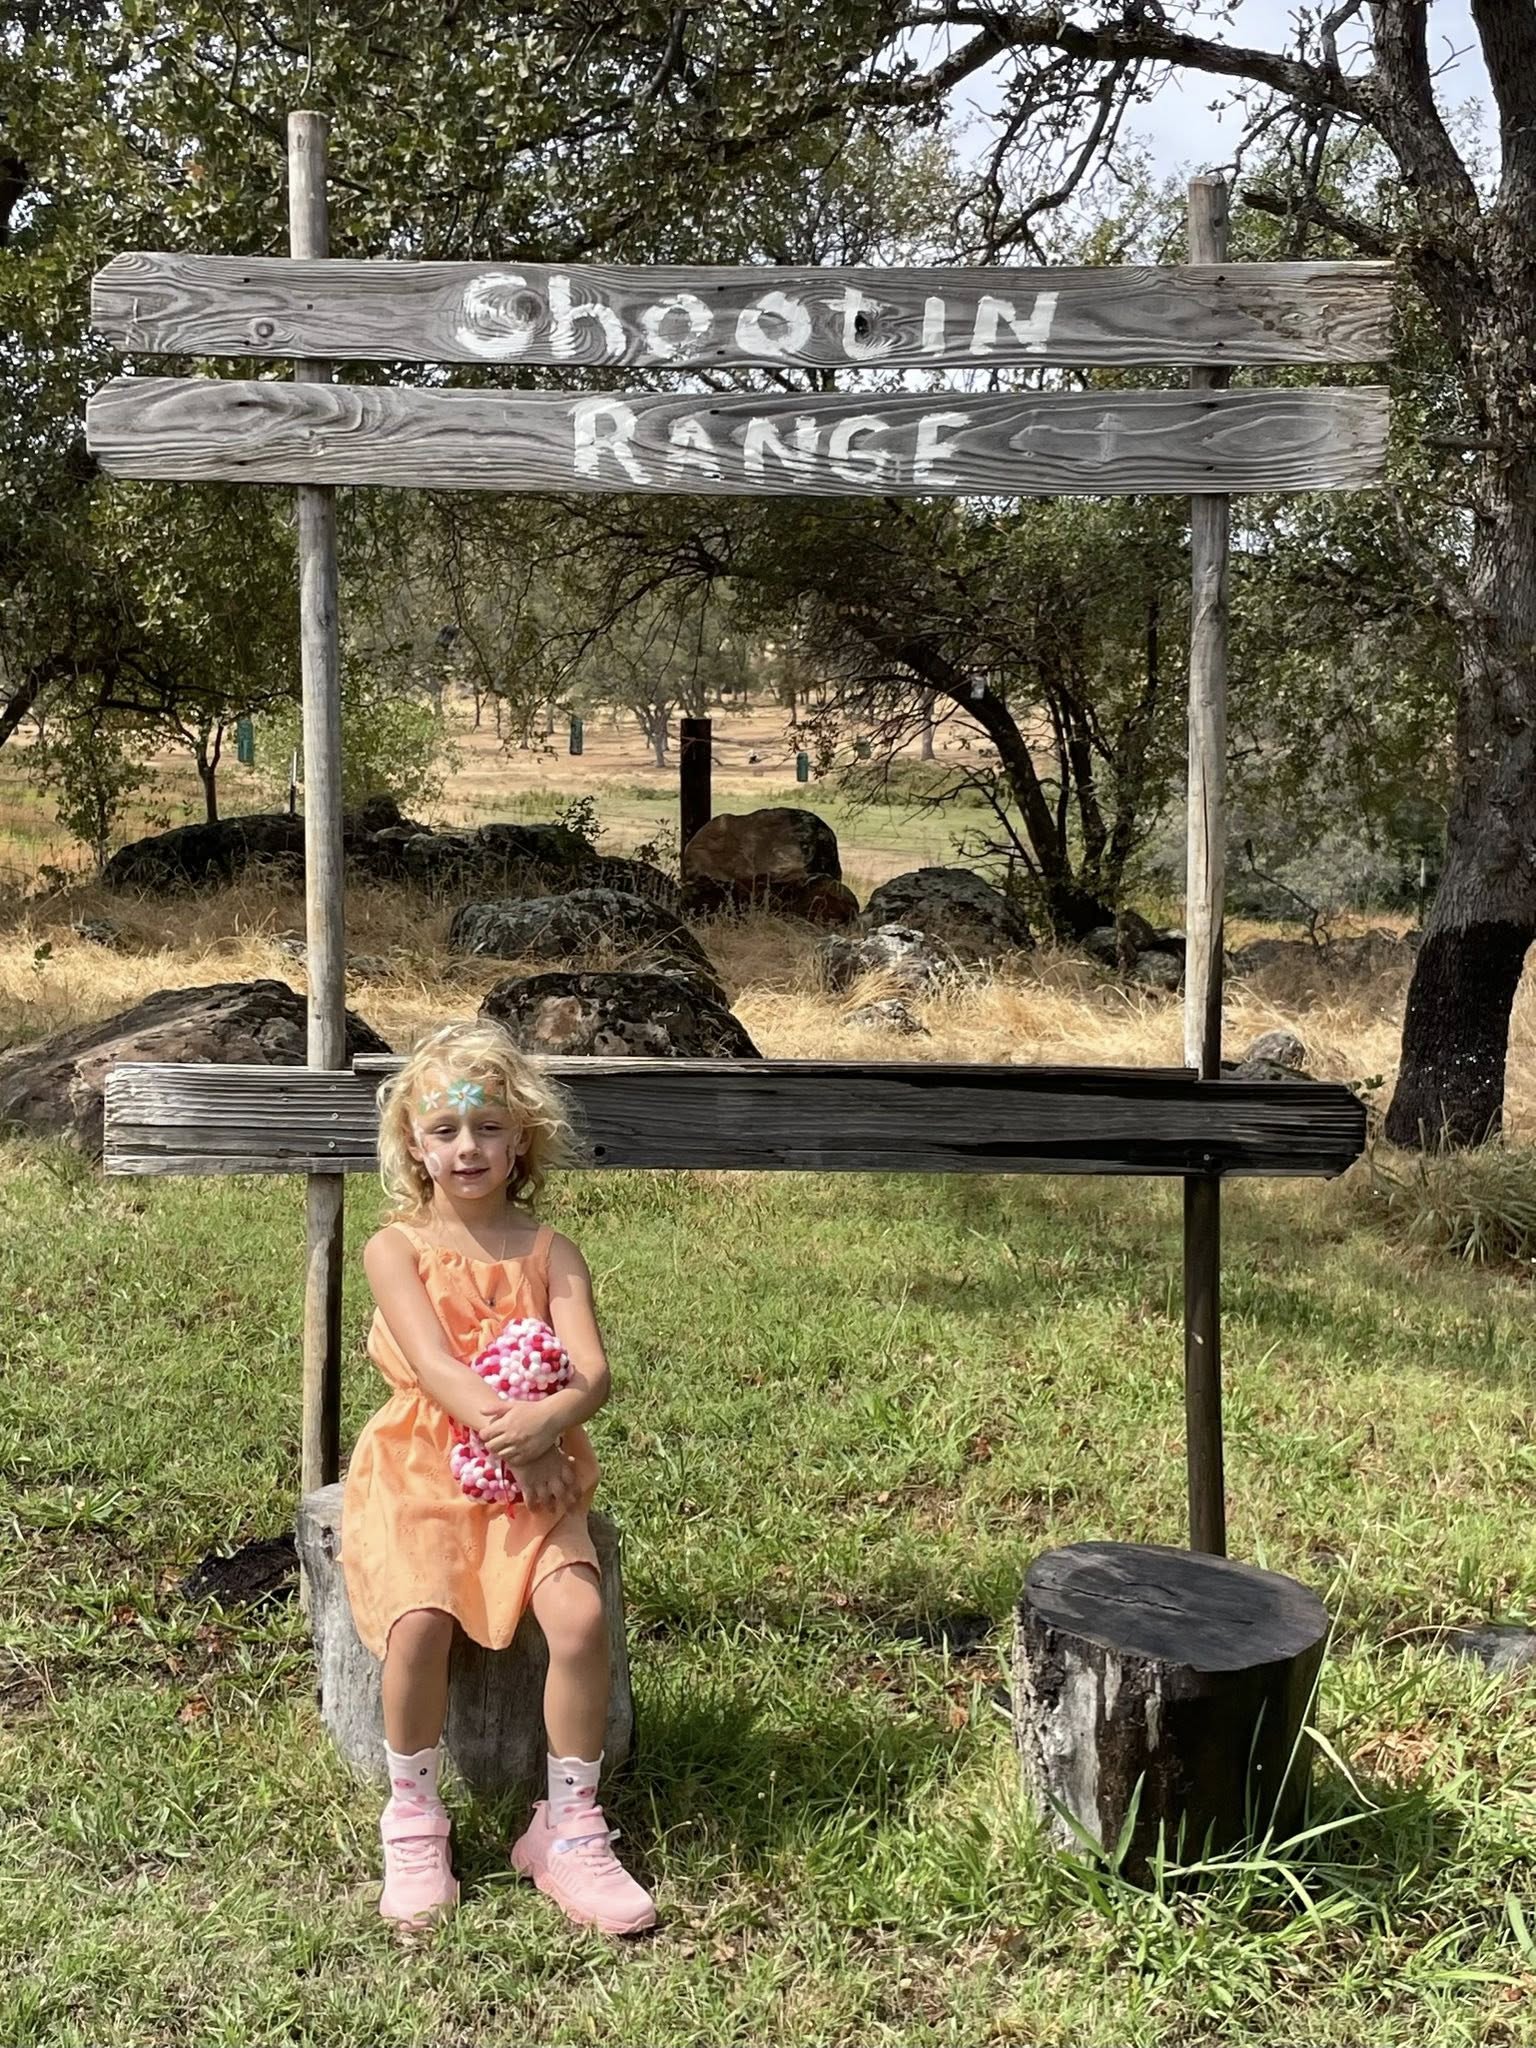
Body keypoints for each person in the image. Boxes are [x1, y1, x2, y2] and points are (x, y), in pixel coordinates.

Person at [342, 1018, 655, 1935]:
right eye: (444, 1131)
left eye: (486, 1129)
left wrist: (551, 1427)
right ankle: (412, 1814)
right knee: (420, 1623)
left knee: (580, 1614)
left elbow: (592, 1371)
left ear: (521, 1137)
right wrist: (524, 1439)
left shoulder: (552, 1252)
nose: (466, 1148)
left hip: (536, 1465)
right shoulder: (394, 1249)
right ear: (413, 1144)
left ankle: (567, 1824)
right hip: (423, 1463)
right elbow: (437, 1368)